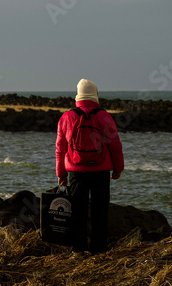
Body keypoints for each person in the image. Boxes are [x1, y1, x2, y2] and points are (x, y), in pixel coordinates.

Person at [55, 78, 124, 253]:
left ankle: (79, 248)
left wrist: (61, 174)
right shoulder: (104, 116)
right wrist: (118, 168)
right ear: (95, 95)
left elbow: (60, 148)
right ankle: (99, 248)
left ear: (78, 95)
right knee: (100, 211)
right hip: (101, 171)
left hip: (76, 172)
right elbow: (115, 144)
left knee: (78, 212)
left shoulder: (67, 117)